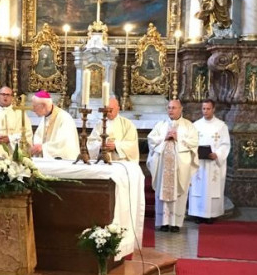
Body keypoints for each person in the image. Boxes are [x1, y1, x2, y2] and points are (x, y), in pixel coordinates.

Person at [146, 99, 198, 233]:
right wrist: (164, 137)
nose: (171, 110)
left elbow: (194, 142)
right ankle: (163, 222)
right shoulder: (161, 125)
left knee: (179, 193)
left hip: (180, 166)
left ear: (180, 109)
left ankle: (176, 223)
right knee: (162, 191)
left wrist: (178, 138)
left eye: (174, 108)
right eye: (169, 108)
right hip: (163, 166)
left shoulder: (188, 126)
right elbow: (151, 140)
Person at [188, 99, 230, 224]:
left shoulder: (221, 126)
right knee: (198, 187)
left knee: (212, 188)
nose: (205, 111)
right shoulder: (196, 125)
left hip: (213, 163)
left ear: (213, 109)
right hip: (199, 163)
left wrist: (217, 154)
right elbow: (190, 142)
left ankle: (211, 214)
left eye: (208, 109)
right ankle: (197, 213)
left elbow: (225, 144)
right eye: (203, 108)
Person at [87, 97, 139, 162]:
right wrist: (100, 145)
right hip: (102, 161)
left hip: (121, 162)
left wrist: (116, 146)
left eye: (111, 110)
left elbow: (132, 144)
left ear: (118, 109)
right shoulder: (99, 124)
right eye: (107, 110)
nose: (108, 113)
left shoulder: (127, 124)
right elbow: (91, 142)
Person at [30, 91, 79, 160]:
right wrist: (37, 145)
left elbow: (63, 143)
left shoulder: (64, 118)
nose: (33, 110)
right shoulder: (46, 117)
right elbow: (38, 136)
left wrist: (43, 148)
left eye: (35, 106)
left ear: (43, 106)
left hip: (61, 162)